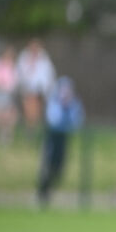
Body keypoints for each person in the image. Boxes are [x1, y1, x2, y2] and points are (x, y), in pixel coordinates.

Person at [36, 76, 85, 208]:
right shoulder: (54, 102)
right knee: (48, 164)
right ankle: (43, 192)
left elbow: (77, 120)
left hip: (63, 138)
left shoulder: (73, 103)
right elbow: (54, 119)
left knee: (59, 167)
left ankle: (48, 190)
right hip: (52, 136)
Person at [16, 38, 56, 133]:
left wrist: (47, 88)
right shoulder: (24, 58)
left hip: (40, 90)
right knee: (28, 111)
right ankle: (30, 130)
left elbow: (49, 74)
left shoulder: (44, 58)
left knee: (36, 112)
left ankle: (34, 130)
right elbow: (20, 73)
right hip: (27, 88)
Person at [0, 44, 19, 145]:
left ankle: (6, 137)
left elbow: (15, 80)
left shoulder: (13, 66)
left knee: (9, 116)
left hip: (10, 93)